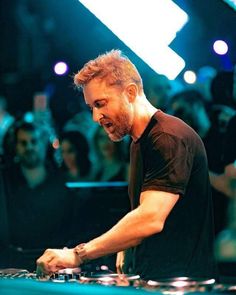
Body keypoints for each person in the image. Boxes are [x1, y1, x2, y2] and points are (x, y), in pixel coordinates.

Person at [36, 49, 217, 281]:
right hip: (159, 280)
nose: (95, 117)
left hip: (184, 285)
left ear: (130, 93)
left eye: (101, 104)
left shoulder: (167, 137)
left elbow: (151, 217)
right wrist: (125, 244)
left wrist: (78, 255)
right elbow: (145, 210)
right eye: (92, 107)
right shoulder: (138, 141)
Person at [0, 121, 73, 271]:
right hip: (11, 263)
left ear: (43, 144)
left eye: (34, 141)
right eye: (23, 143)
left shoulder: (60, 182)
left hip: (52, 263)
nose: (29, 147)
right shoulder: (5, 181)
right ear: (16, 147)